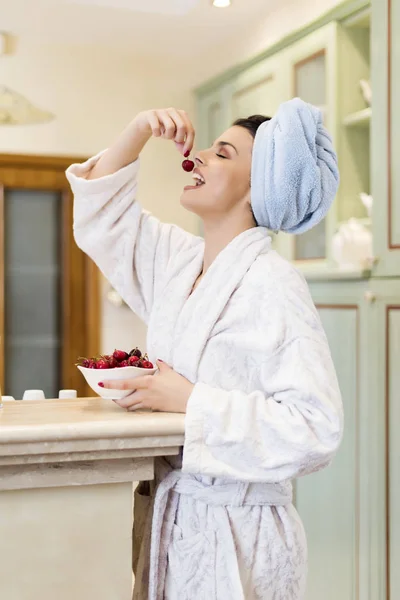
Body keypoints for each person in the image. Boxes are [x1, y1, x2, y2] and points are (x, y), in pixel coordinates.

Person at [66, 100, 343, 600]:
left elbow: (316, 428)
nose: (196, 159)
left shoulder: (275, 285)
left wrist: (191, 401)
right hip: (177, 522)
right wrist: (138, 129)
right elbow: (103, 219)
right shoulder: (179, 262)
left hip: (240, 536)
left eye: (223, 153)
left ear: (261, 185)